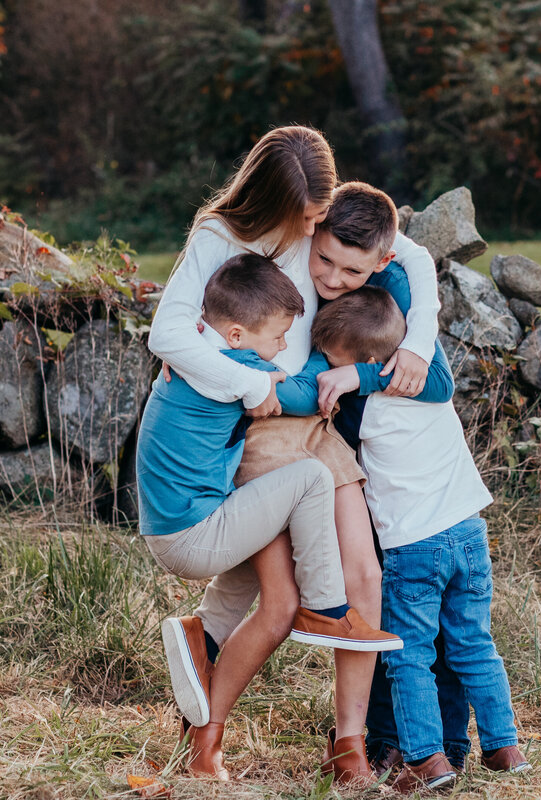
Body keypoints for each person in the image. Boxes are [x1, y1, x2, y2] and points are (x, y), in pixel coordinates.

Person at [146, 126, 448, 784]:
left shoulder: (323, 229)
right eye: (308, 219)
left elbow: (415, 261)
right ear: (278, 203)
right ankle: (204, 738)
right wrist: (256, 385)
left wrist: (418, 345)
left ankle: (349, 747)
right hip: (266, 424)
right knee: (277, 599)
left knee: (360, 576)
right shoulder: (227, 239)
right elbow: (169, 332)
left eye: (319, 216)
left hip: (316, 423)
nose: (317, 237)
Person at [138, 254, 402, 780]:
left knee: (259, 586)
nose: (286, 345)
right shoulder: (236, 371)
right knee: (308, 479)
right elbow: (301, 394)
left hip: (184, 523)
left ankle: (203, 636)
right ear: (235, 334)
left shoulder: (200, 351)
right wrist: (342, 372)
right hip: (193, 535)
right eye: (280, 336)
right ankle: (326, 606)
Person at [312, 287, 531, 792]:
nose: (328, 367)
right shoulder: (429, 386)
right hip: (470, 531)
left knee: (407, 653)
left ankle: (427, 758)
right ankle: (504, 746)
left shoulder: (360, 408)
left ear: (366, 364)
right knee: (473, 643)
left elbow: (325, 425)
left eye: (334, 359)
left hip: (415, 545)